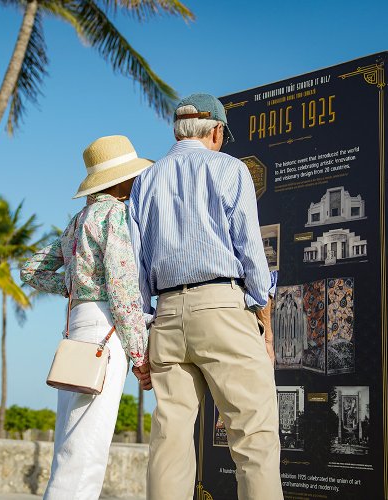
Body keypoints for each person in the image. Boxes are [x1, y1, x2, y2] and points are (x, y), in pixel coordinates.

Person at [129, 93, 282, 500]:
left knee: (170, 441)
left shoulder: (144, 180)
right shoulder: (230, 169)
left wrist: (144, 334)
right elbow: (251, 250)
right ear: (216, 130)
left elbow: (137, 269)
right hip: (222, 308)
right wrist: (265, 325)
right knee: (254, 438)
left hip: (165, 314)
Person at [21, 135, 153, 500]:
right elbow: (122, 286)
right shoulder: (116, 214)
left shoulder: (78, 221)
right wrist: (140, 357)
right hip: (105, 328)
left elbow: (31, 269)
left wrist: (75, 281)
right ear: (122, 180)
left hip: (78, 329)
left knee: (70, 441)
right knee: (88, 446)